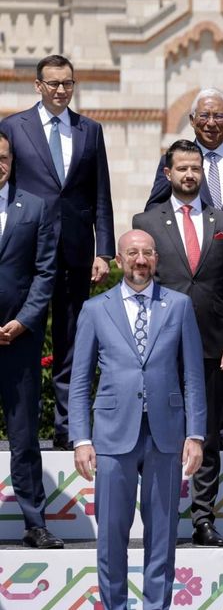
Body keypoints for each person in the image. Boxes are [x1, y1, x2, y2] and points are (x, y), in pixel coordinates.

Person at [68, 229, 205, 610]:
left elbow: (193, 375)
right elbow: (79, 381)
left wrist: (195, 434)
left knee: (162, 537)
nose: (140, 260)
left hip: (167, 436)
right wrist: (81, 439)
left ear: (156, 259)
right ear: (119, 260)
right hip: (112, 436)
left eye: (147, 253)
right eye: (132, 253)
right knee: (111, 537)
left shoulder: (178, 305)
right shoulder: (95, 309)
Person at [132, 139, 223, 548]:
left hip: (214, 346)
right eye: (182, 168)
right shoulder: (145, 223)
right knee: (159, 434)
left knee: (208, 435)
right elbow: (137, 286)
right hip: (161, 347)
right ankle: (160, 518)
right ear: (168, 174)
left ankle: (203, 518)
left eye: (195, 169)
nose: (189, 175)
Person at [146, 87, 223, 451]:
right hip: (186, 267)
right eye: (204, 116)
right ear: (192, 120)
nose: (211, 123)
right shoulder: (177, 162)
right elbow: (155, 207)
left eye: (218, 116)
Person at [0, 54, 114, 450]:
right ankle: (23, 432)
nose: (61, 90)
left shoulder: (90, 130)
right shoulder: (13, 127)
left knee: (71, 344)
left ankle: (68, 431)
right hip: (23, 253)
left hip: (76, 252)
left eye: (67, 83)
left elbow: (100, 192)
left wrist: (106, 250)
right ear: (38, 85)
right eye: (53, 83)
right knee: (22, 340)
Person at [0, 132, 61, 548]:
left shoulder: (34, 207)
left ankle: (35, 522)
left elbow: (45, 272)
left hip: (19, 340)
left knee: (24, 437)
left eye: (2, 157)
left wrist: (23, 321)